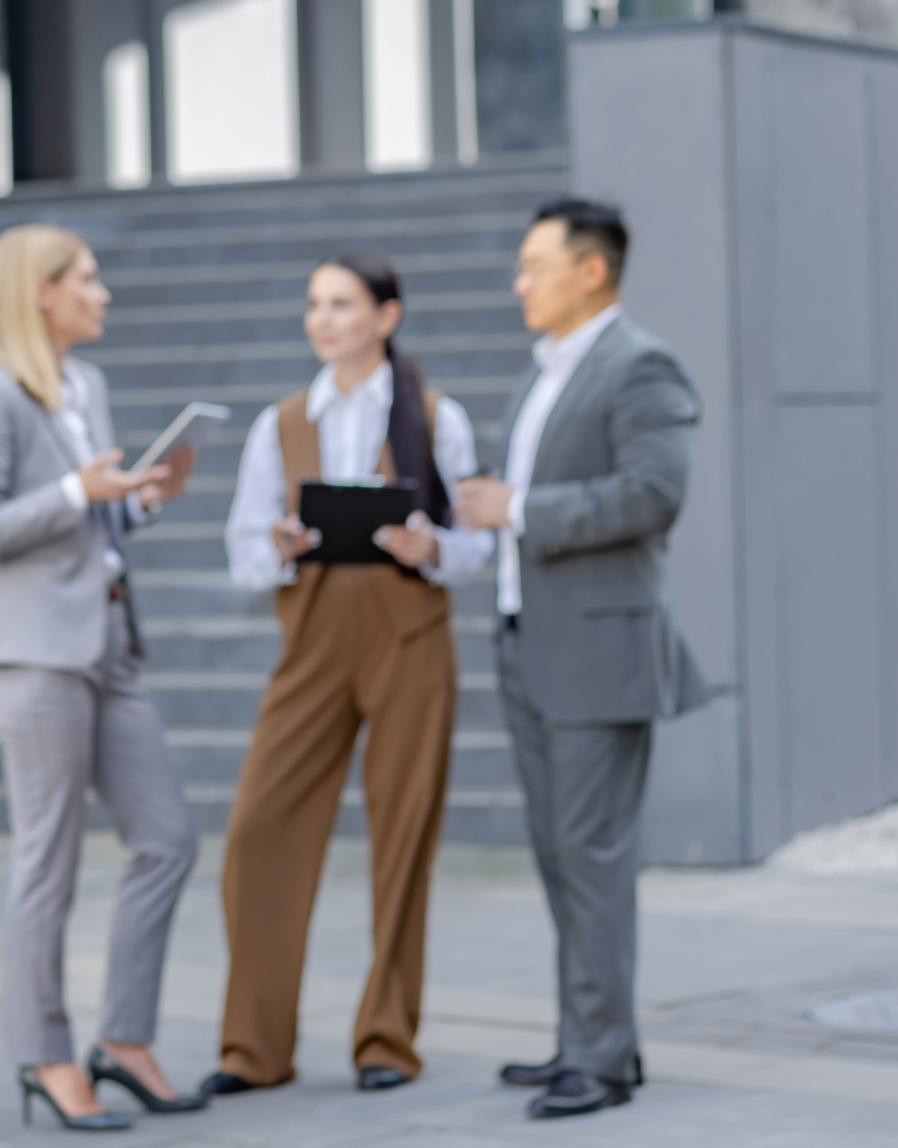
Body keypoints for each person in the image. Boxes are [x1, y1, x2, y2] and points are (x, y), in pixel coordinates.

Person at [203, 255, 492, 1099]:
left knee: (403, 841)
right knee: (258, 833)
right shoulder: (283, 421)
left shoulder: (436, 416)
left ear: (386, 315)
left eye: (341, 303)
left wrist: (431, 547)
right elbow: (244, 550)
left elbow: (475, 540)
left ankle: (386, 1039)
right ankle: (253, 1046)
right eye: (314, 304)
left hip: (410, 636)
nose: (322, 319)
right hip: (315, 638)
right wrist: (282, 545)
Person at [0, 224, 204, 1132]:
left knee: (168, 836)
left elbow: (96, 516)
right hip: (34, 653)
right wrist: (75, 495)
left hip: (108, 641)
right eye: (88, 279)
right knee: (46, 860)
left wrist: (138, 500)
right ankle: (45, 1054)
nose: (103, 293)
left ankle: (123, 1038)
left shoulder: (84, 385)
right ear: (40, 293)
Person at [456, 198, 706, 1121]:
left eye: (534, 265)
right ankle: (593, 1040)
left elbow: (652, 494)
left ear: (590, 270)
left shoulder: (640, 365)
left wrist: (520, 509)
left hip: (598, 649)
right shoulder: (545, 373)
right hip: (530, 639)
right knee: (561, 855)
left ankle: (597, 1062)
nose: (520, 282)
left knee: (592, 858)